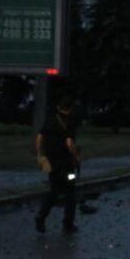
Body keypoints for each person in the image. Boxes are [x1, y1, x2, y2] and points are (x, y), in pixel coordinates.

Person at [35, 96, 82, 233]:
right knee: (70, 193)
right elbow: (69, 144)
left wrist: (40, 155)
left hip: (52, 163)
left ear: (58, 107)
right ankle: (68, 224)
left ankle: (41, 217)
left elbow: (39, 138)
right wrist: (76, 155)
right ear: (71, 109)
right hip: (66, 164)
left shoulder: (50, 120)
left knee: (54, 192)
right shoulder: (70, 122)